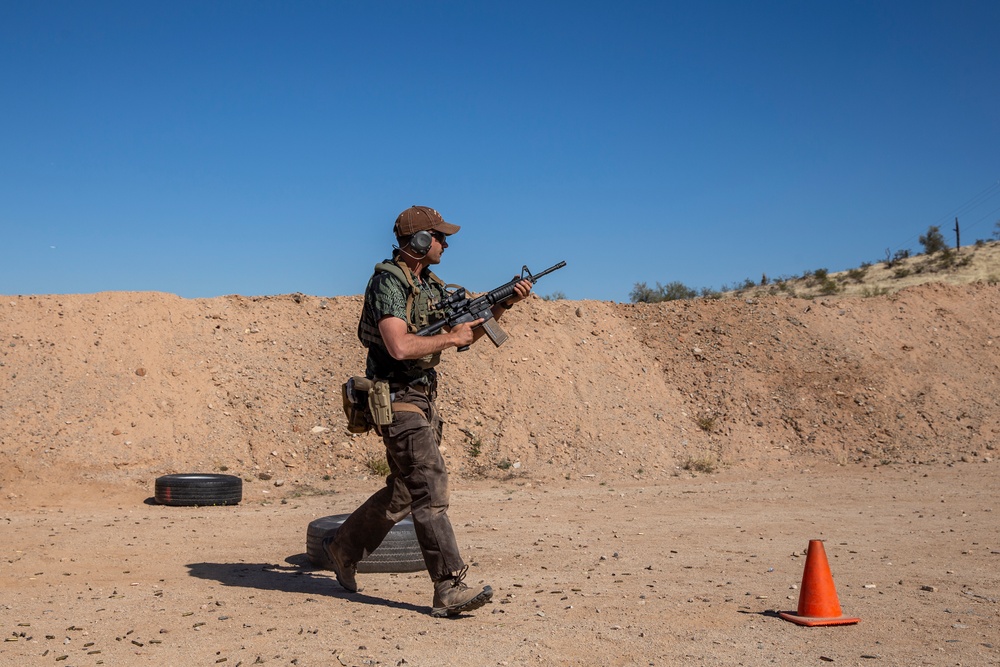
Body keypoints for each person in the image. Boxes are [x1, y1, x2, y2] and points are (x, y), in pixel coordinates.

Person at [325, 205, 533, 617]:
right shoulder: (388, 283)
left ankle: (343, 548)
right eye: (439, 237)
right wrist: (452, 339)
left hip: (422, 399)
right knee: (431, 486)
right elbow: (400, 346)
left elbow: (464, 335)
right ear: (420, 241)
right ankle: (448, 585)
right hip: (396, 397)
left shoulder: (431, 287)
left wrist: (502, 305)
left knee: (406, 491)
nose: (446, 243)